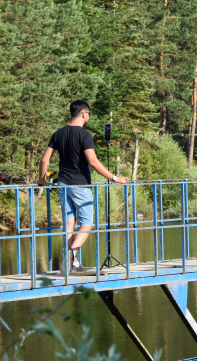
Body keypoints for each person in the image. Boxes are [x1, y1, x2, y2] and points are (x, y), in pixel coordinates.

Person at [38, 100, 128, 275]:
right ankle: (70, 255)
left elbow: (44, 160)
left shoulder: (58, 133)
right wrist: (114, 178)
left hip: (62, 184)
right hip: (80, 184)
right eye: (88, 114)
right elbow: (93, 162)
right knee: (87, 223)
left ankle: (74, 264)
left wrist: (42, 180)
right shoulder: (84, 135)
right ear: (84, 114)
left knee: (69, 225)